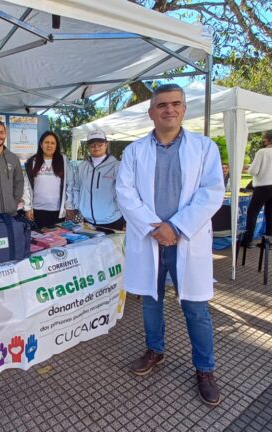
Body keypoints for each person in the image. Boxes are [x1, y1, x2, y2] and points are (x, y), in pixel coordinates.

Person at [115, 84, 224, 406]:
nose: (169, 110)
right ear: (151, 112)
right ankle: (155, 350)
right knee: (151, 302)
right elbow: (125, 193)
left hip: (185, 239)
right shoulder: (134, 151)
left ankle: (205, 369)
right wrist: (155, 228)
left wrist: (175, 226)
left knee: (196, 307)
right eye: (162, 105)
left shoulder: (204, 148)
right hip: (150, 239)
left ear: (184, 109)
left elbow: (212, 192)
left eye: (175, 104)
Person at [67, 129, 124, 230]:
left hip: (112, 220)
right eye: (92, 144)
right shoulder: (82, 167)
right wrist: (76, 208)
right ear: (88, 146)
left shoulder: (117, 166)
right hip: (86, 221)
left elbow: (124, 192)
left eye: (100, 143)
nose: (96, 146)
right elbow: (76, 189)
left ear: (106, 144)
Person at [241, 130, 272, 247]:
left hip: (263, 186)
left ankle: (248, 241)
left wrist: (247, 168)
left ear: (270, 139)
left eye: (264, 138)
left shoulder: (262, 152)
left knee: (252, 212)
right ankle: (267, 242)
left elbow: (253, 171)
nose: (263, 140)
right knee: (271, 214)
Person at [23, 131, 73, 228]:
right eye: (46, 142)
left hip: (58, 211)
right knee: (40, 241)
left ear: (56, 146)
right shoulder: (32, 161)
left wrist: (69, 206)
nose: (49, 145)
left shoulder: (63, 161)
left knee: (59, 240)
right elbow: (26, 187)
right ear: (41, 144)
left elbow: (70, 184)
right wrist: (27, 208)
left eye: (52, 143)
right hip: (38, 211)